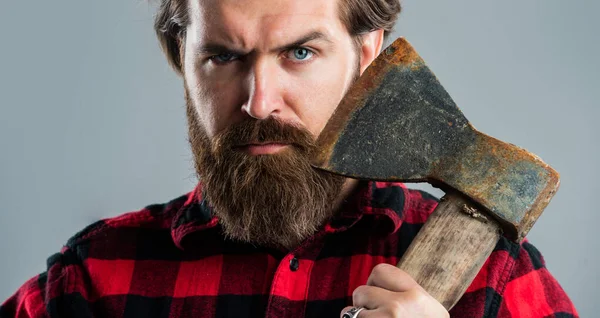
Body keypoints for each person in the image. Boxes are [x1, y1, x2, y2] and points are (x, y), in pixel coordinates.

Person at [0, 0, 577, 317]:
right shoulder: (89, 285)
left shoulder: (498, 284)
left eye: (300, 52)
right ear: (182, 59)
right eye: (223, 57)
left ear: (366, 54)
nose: (259, 102)